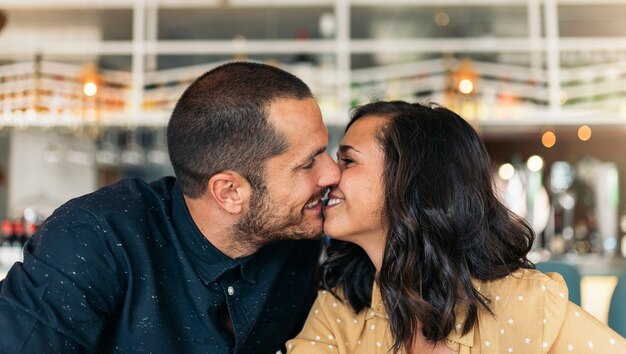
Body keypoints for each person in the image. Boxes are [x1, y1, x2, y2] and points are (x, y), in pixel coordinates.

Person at [0, 62, 340, 353]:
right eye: (309, 163)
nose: (332, 172)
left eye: (326, 151)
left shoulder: (299, 234)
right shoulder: (91, 239)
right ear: (229, 191)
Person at [287, 101, 626, 353]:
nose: (330, 175)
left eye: (347, 160)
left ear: (412, 182)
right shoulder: (341, 308)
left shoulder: (525, 304)